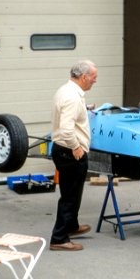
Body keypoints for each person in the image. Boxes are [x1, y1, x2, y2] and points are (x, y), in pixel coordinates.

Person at [49, 60, 98, 251]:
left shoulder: (66, 91)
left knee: (73, 193)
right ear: (84, 77)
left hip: (63, 150)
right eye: (94, 77)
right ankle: (59, 238)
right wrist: (77, 148)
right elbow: (66, 130)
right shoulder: (73, 98)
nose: (95, 81)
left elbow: (68, 117)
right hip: (70, 152)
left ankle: (71, 226)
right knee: (69, 196)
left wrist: (85, 110)